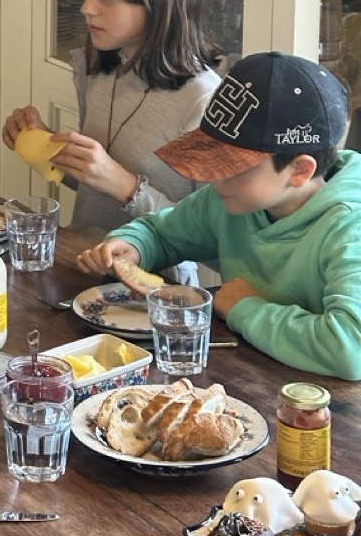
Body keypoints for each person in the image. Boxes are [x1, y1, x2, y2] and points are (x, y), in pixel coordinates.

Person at [76, 51, 361, 381]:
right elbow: (163, 233)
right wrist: (134, 244)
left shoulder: (349, 226)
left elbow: (350, 348)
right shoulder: (231, 199)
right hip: (251, 379)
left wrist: (245, 308)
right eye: (214, 160)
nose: (215, 179)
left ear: (299, 170)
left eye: (235, 168)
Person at [2, 0, 222, 247]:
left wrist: (128, 188)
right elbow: (95, 188)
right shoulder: (100, 70)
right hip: (80, 264)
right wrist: (49, 147)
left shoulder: (203, 101)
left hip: (155, 289)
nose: (87, 7)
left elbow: (213, 243)